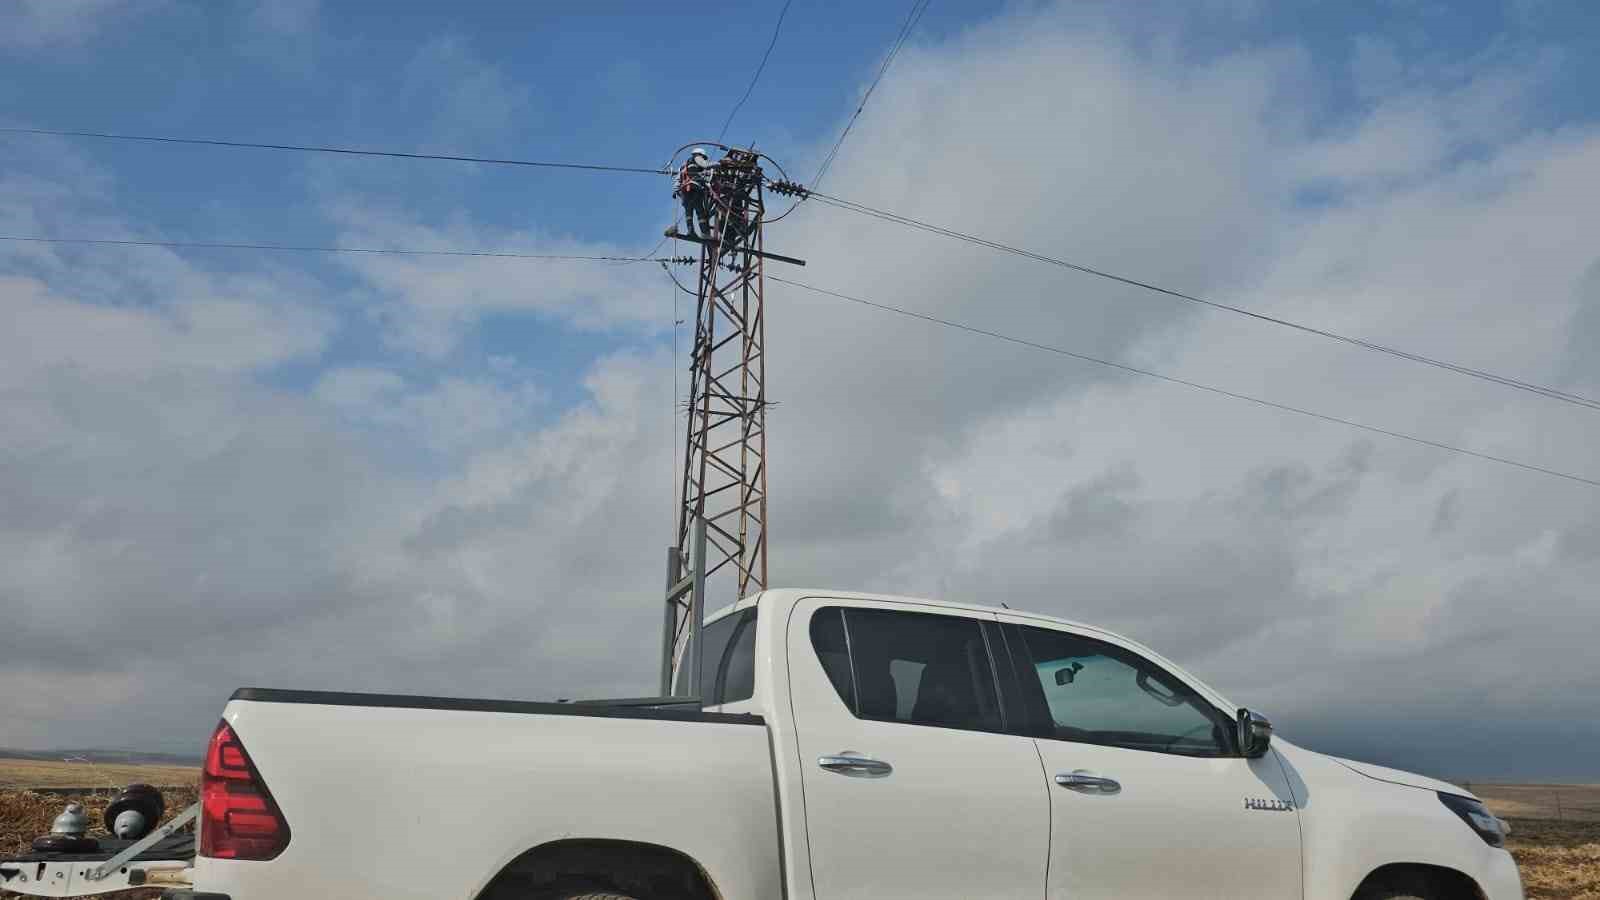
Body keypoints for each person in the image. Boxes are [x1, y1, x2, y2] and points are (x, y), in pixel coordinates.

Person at [674, 147, 717, 239]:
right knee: (700, 212)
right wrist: (718, 164)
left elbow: (678, 179)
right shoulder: (697, 158)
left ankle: (690, 231)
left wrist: (675, 190)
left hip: (684, 191)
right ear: (700, 154)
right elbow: (705, 165)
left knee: (688, 212)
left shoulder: (683, 166)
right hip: (694, 188)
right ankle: (705, 234)